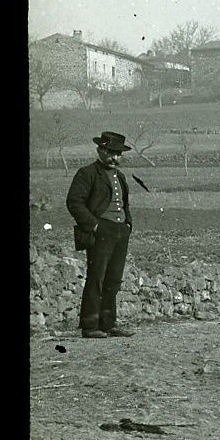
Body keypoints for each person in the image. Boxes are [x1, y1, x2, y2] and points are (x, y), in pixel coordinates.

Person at [66, 131, 136, 339]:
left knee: (113, 280)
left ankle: (108, 324)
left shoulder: (120, 176)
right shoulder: (87, 173)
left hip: (120, 231)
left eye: (119, 154)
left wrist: (128, 224)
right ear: (100, 150)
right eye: (111, 153)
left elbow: (124, 203)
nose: (115, 158)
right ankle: (90, 326)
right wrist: (95, 226)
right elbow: (74, 202)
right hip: (101, 231)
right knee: (96, 278)